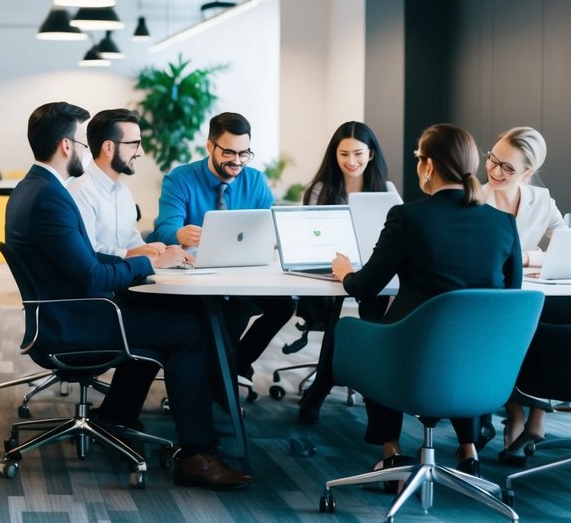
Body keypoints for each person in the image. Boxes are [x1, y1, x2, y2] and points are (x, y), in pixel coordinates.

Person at [6, 101, 250, 490]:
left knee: (176, 317)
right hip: (76, 319)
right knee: (188, 333)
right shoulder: (51, 196)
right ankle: (196, 454)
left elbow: (88, 260)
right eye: (81, 145)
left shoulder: (33, 189)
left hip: (72, 309)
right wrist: (149, 264)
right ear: (67, 146)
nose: (85, 151)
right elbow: (90, 276)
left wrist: (144, 256)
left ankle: (119, 414)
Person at [331, 123, 521, 481]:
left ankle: (392, 452)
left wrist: (344, 270)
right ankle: (469, 449)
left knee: (372, 331)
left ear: (428, 166)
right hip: (483, 364)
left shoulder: (407, 217)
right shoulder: (503, 224)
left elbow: (366, 286)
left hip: (411, 360)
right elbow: (511, 297)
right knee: (464, 338)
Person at [149, 112, 296, 383]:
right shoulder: (180, 178)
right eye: (229, 152)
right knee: (233, 309)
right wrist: (180, 234)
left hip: (243, 274)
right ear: (210, 146)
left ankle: (235, 366)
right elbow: (163, 230)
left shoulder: (255, 181)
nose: (237, 161)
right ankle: (217, 382)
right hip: (198, 278)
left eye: (244, 153)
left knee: (283, 306)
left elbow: (271, 228)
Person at [296, 121, 392, 424]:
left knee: (371, 315)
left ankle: (324, 389)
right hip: (327, 270)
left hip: (370, 270)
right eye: (344, 154)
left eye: (358, 153)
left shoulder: (386, 191)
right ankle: (325, 389)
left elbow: (392, 241)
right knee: (339, 316)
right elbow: (309, 238)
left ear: (372, 154)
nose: (351, 161)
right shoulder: (320, 191)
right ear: (334, 156)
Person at [481, 127, 567, 462]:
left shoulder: (540, 200)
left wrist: (528, 257)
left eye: (508, 168)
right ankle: (517, 413)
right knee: (515, 326)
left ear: (528, 173)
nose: (495, 171)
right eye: (493, 159)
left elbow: (565, 245)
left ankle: (536, 418)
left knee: (546, 317)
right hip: (488, 297)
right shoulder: (474, 197)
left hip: (527, 293)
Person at [68, 109, 167, 260]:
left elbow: (133, 243)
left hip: (128, 278)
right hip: (102, 282)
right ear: (109, 148)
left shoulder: (123, 191)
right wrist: (137, 253)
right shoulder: (80, 191)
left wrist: (159, 252)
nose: (140, 152)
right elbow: (89, 252)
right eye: (135, 144)